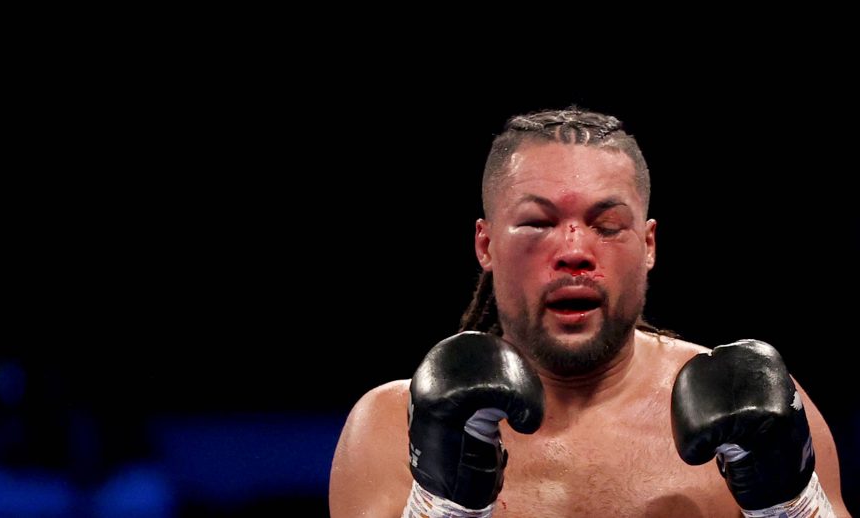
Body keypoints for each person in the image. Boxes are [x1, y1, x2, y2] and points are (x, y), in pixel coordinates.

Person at [329, 107, 851, 517]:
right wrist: (444, 505)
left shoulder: (757, 407)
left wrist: (789, 508)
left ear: (648, 245)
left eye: (607, 225)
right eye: (537, 223)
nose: (574, 250)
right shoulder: (389, 428)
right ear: (484, 245)